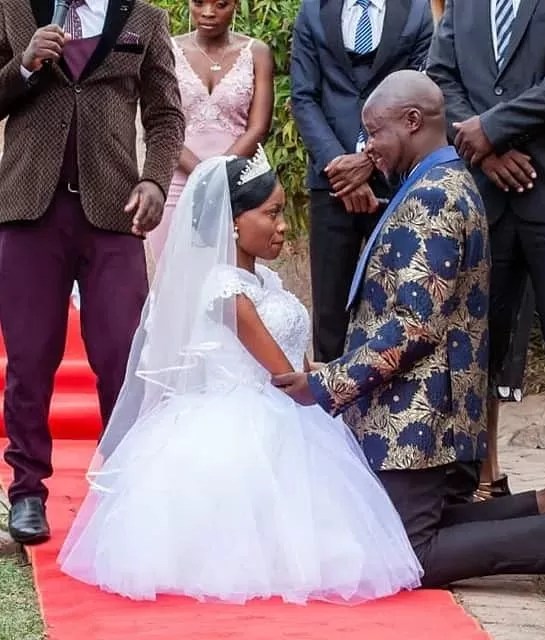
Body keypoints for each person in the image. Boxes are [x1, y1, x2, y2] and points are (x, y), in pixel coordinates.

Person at [274, 71, 545, 586]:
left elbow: (415, 326)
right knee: (409, 527)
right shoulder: (435, 184)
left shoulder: (434, 197)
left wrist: (328, 384)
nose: (367, 146)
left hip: (417, 417)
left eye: (374, 132)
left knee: (405, 555)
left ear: (412, 121)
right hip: (418, 412)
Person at [57, 149, 422, 604]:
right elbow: (284, 375)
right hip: (249, 415)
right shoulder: (225, 290)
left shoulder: (267, 281)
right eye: (271, 214)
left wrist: (338, 375)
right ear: (233, 221)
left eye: (281, 213)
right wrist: (344, 383)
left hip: (291, 410)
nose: (283, 226)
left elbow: (298, 363)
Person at [427, 0, 545, 514]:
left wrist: (496, 127)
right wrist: (483, 148)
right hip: (485, 190)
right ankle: (458, 506)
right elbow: (441, 76)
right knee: (470, 351)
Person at [0, 0, 185, 545]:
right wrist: (24, 65)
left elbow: (166, 115)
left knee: (121, 355)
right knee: (29, 357)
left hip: (114, 212)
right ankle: (27, 491)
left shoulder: (145, 18)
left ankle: (126, 490)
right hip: (29, 210)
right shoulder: (12, 8)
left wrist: (154, 180)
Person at [290, 0, 433, 363]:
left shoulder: (416, 11)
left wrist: (369, 160)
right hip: (331, 181)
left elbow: (420, 97)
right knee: (329, 309)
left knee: (400, 298)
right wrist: (341, 168)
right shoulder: (313, 9)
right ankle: (327, 394)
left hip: (395, 182)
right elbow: (304, 97)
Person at [147, 0, 274, 261]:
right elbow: (158, 123)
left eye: (220, 4)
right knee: (174, 274)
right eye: (198, 3)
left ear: (235, 4)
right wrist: (205, 177)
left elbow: (259, 128)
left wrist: (219, 178)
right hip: (176, 183)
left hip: (235, 184)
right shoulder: (166, 49)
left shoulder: (257, 53)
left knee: (228, 277)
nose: (208, 13)